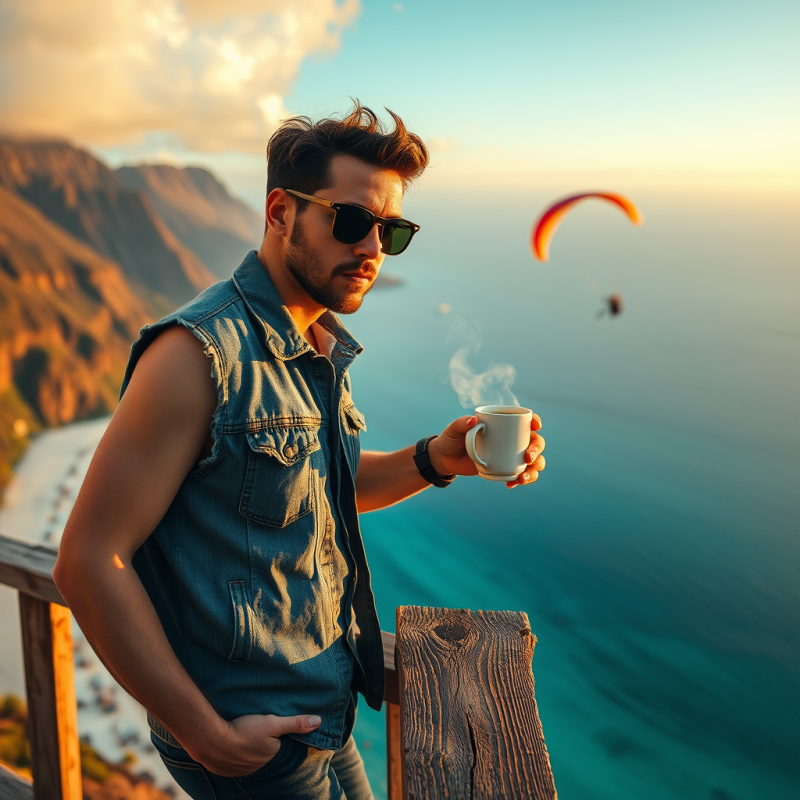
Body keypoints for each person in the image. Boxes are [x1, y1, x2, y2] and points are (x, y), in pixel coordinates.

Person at [53, 103, 546, 800]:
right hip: (248, 735)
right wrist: (202, 733)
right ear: (281, 212)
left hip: (322, 714)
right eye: (351, 221)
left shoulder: (314, 344)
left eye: (391, 231)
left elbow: (321, 486)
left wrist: (437, 458)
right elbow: (87, 560)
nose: (372, 247)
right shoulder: (196, 355)